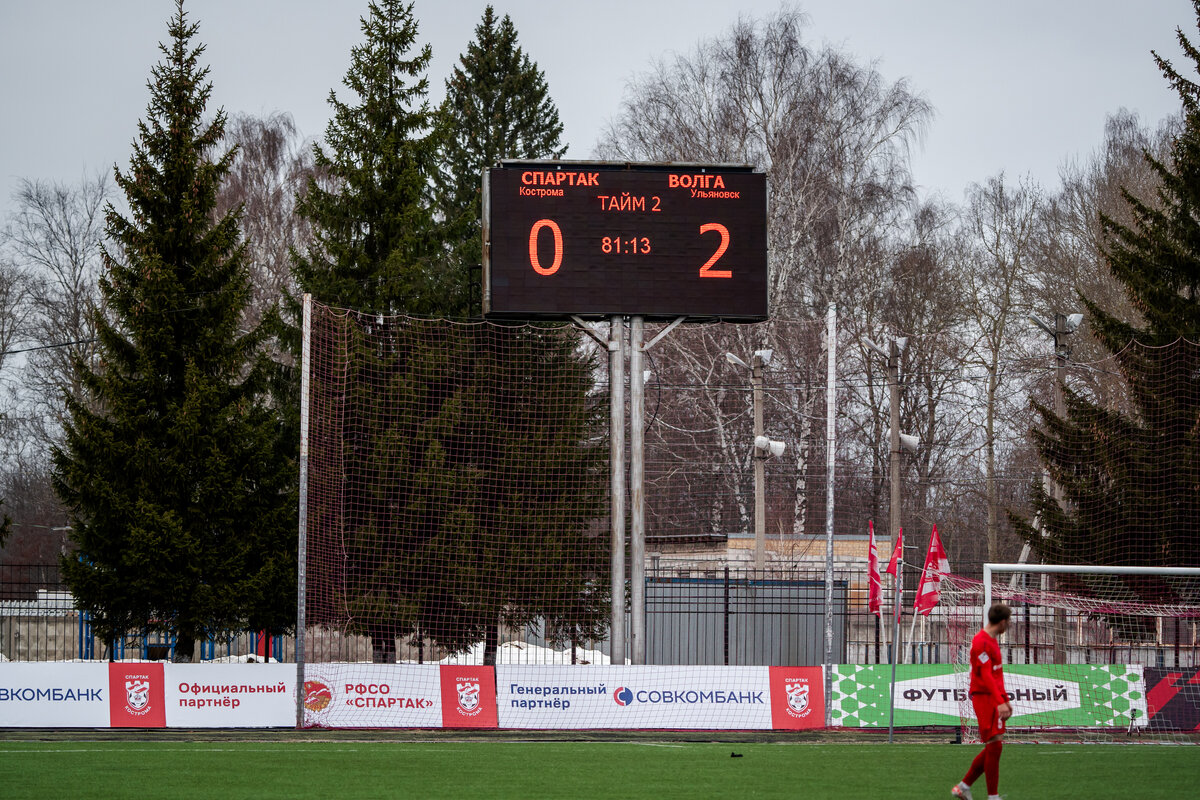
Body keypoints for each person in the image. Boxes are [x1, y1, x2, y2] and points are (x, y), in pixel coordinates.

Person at [952, 603, 1012, 800]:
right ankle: (992, 796)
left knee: (994, 745)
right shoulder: (981, 642)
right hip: (985, 697)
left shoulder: (992, 640)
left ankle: (963, 787)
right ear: (1002, 622)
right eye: (1008, 621)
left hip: (993, 697)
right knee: (995, 744)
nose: (1009, 625)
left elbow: (996, 674)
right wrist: (999, 701)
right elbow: (985, 675)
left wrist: (1005, 699)